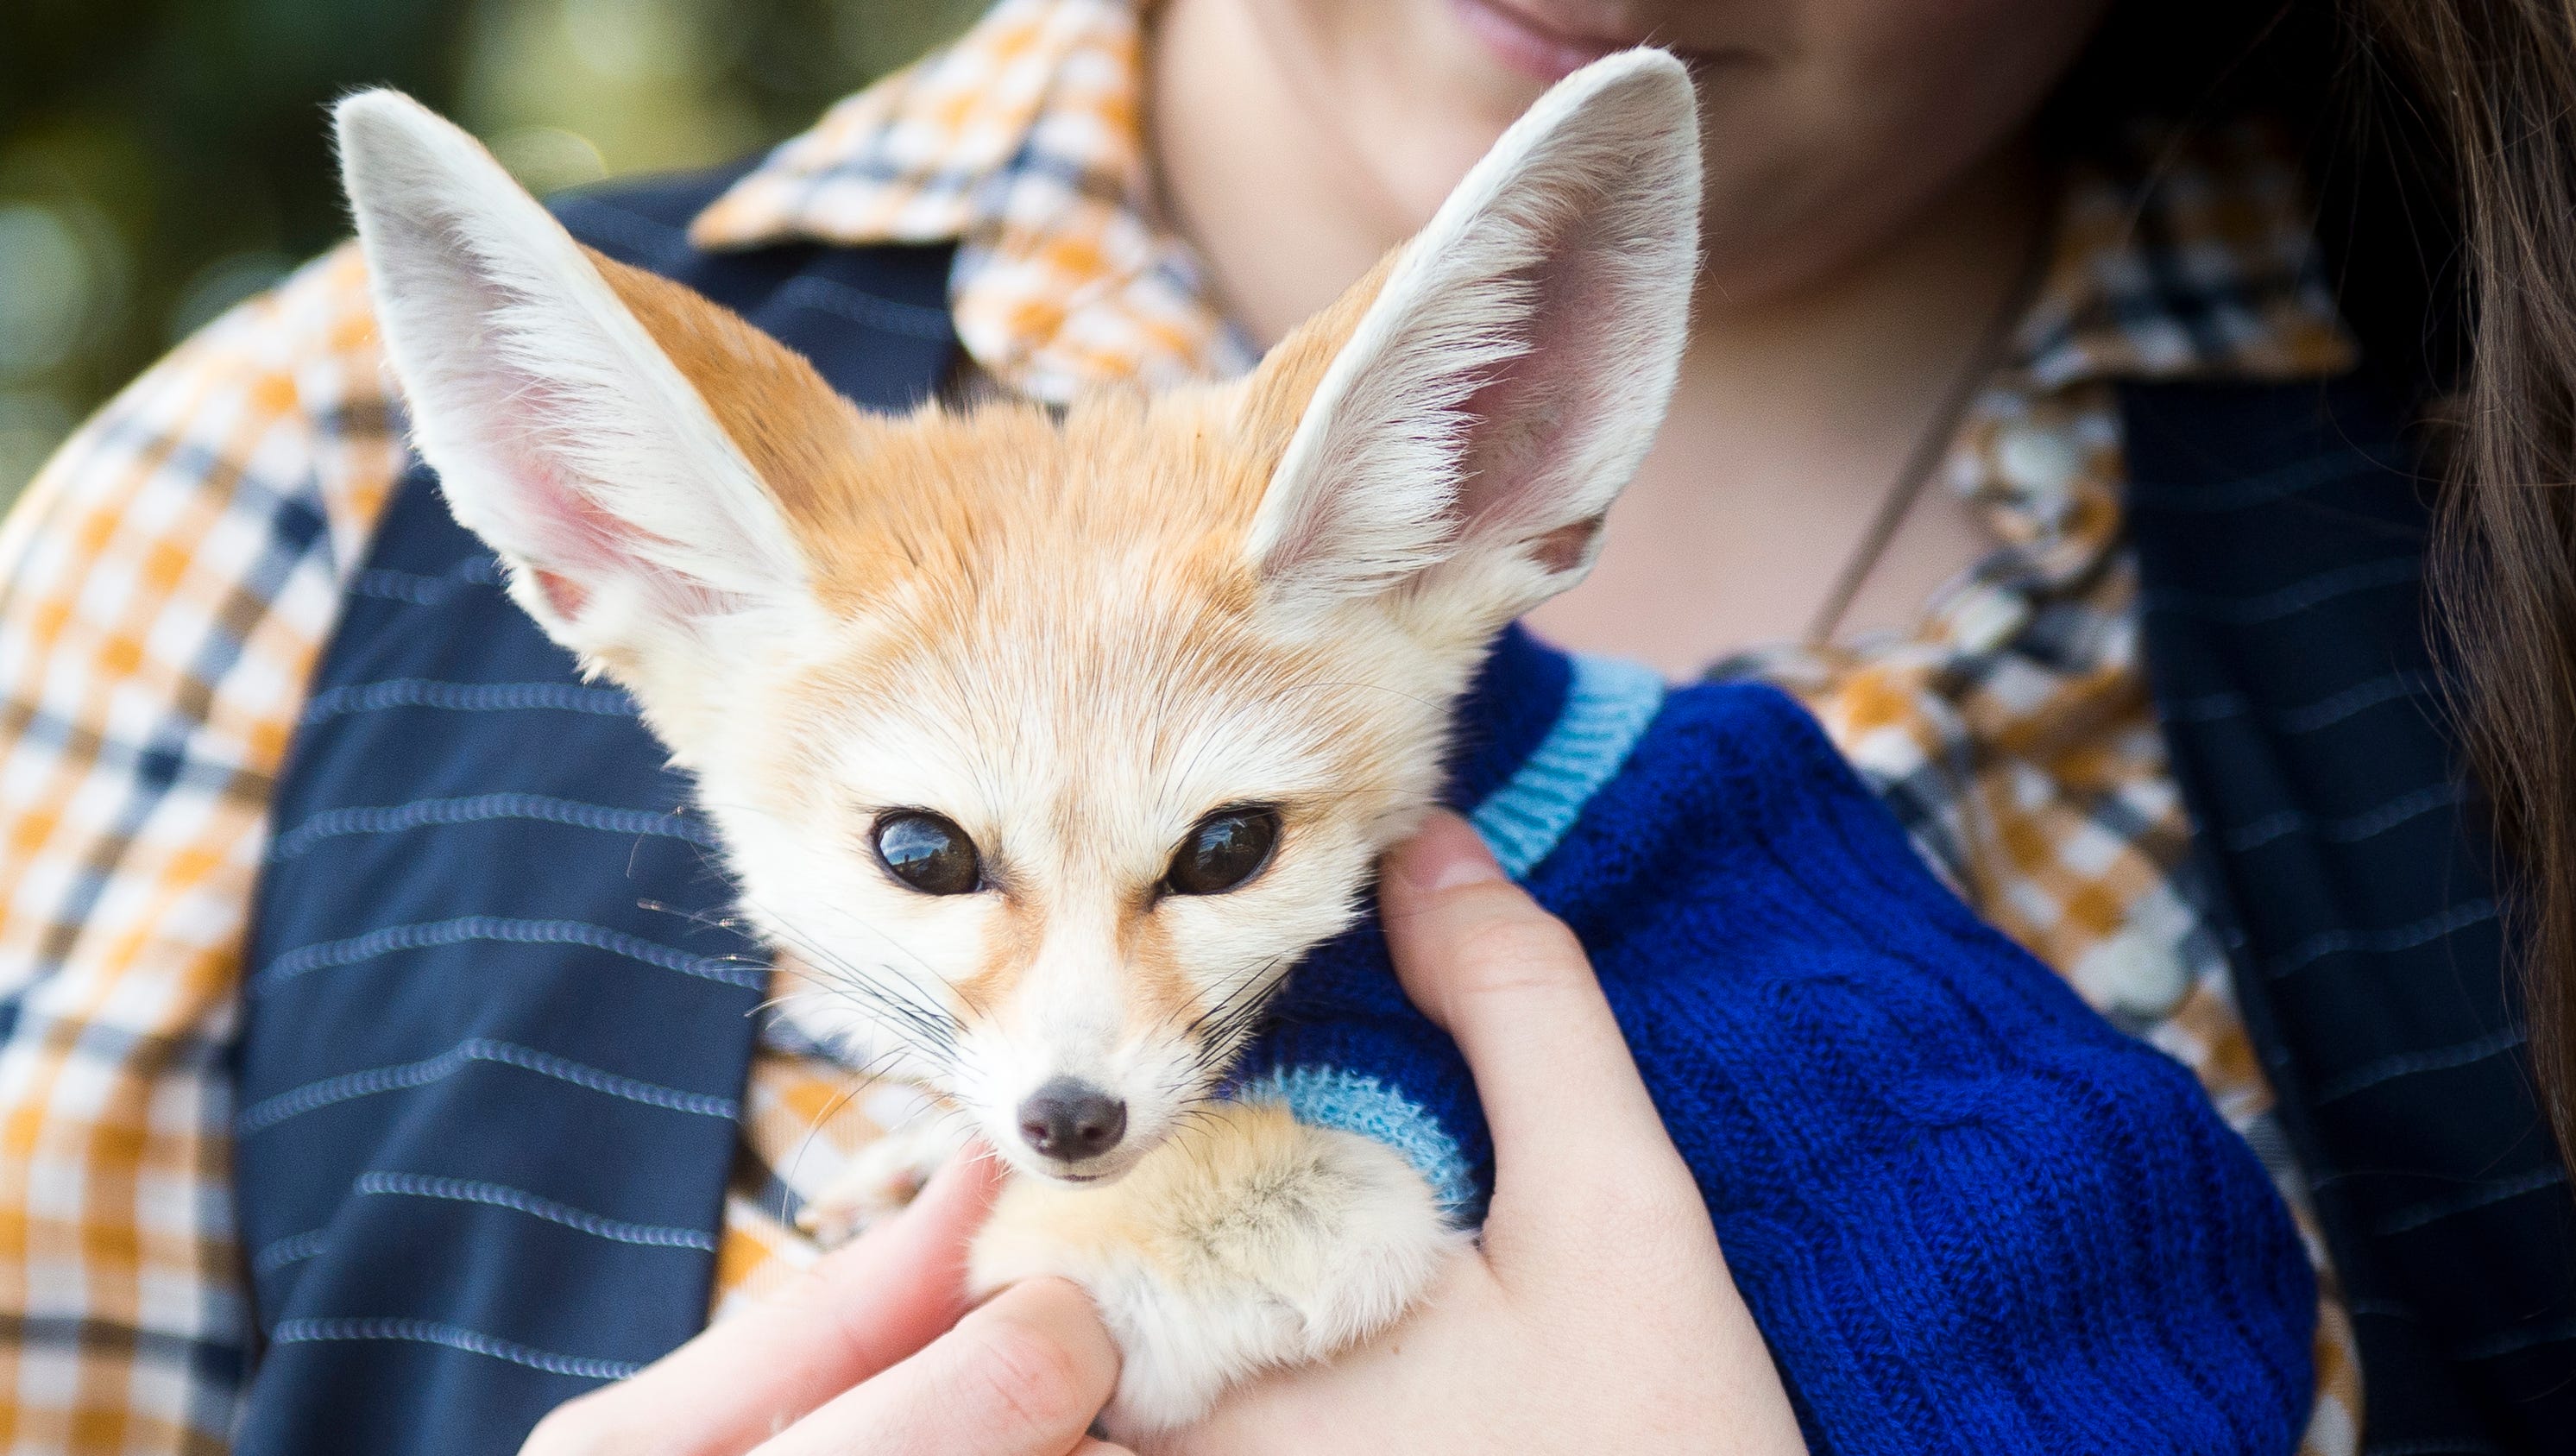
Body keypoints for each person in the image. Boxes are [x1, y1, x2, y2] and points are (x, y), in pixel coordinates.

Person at [0, 0, 2567, 1452]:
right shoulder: (261, 525)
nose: (1088, 1034)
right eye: (937, 874)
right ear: (596, 549)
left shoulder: (2476, 504)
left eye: (1201, 862)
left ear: (1503, 449)